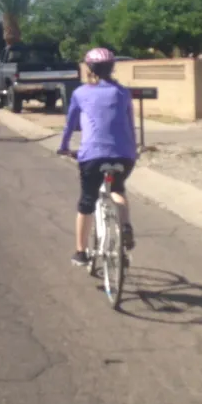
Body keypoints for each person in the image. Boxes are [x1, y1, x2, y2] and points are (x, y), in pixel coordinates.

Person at [57, 47, 137, 267]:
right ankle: (125, 225)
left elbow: (70, 125)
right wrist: (133, 150)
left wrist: (64, 147)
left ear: (90, 68)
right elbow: (130, 125)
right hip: (124, 155)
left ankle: (81, 252)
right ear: (112, 67)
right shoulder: (122, 92)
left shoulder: (81, 93)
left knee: (87, 202)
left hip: (92, 156)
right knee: (118, 189)